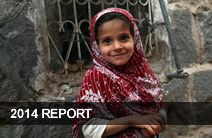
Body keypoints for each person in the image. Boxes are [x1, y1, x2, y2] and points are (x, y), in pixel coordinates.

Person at [72, 8, 166, 138]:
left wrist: (153, 125)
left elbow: (159, 109)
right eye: (107, 41)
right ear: (96, 46)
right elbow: (88, 128)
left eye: (123, 37)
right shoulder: (95, 78)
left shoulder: (143, 74)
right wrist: (132, 120)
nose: (117, 47)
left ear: (135, 39)